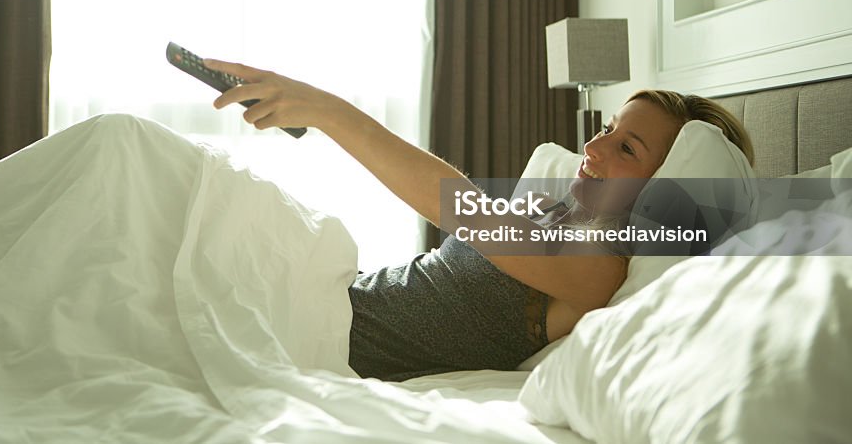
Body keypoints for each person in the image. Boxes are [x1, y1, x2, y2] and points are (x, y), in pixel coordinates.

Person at [204, 58, 755, 382]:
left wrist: (325, 109)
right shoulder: (556, 215)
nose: (593, 146)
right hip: (332, 295)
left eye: (627, 148)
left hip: (329, 338)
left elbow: (455, 205)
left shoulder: (598, 271)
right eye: (608, 128)